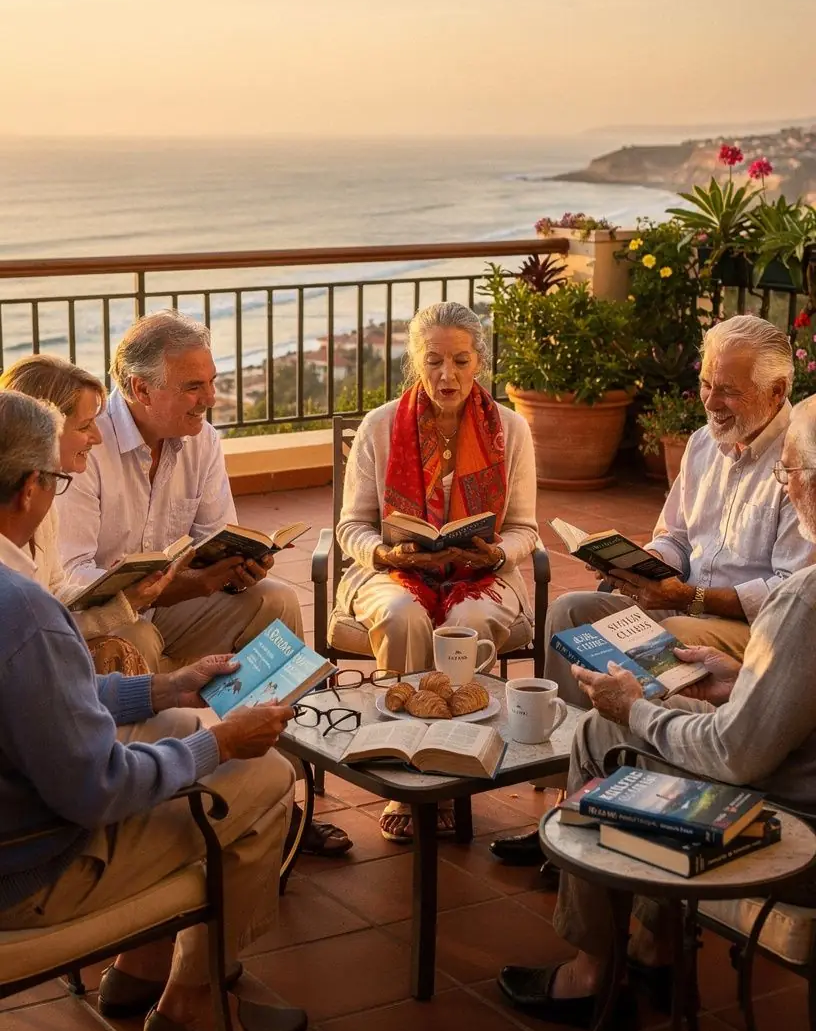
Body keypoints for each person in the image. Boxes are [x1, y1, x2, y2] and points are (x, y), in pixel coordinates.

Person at [0, 389, 307, 1031]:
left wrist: (159, 687)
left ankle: (139, 970)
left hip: (20, 824)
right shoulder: (23, 611)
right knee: (263, 776)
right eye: (55, 479)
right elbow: (96, 789)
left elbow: (42, 702)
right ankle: (194, 1001)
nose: (61, 489)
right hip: (28, 877)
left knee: (170, 722)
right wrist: (219, 742)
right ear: (28, 489)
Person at [498, 393, 816, 1031]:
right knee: (591, 626)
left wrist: (638, 709)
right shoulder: (702, 446)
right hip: (780, 740)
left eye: (790, 473)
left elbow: (736, 756)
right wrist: (741, 681)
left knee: (605, 731)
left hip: (794, 828)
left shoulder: (803, 600)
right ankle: (654, 945)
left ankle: (594, 973)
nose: (712, 398)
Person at [492, 313, 814, 867]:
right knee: (575, 610)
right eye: (707, 384)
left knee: (672, 633)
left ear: (776, 391)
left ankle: (642, 792)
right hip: (681, 599)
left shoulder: (801, 459)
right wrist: (642, 567)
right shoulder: (701, 445)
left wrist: (682, 597)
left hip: (748, 627)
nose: (711, 401)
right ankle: (571, 793)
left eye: (729, 391)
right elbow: (675, 537)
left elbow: (787, 591)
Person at [57, 311, 350, 857]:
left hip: (172, 604)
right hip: (104, 622)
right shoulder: (86, 451)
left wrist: (242, 567)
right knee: (137, 641)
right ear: (140, 388)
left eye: (212, 382)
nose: (210, 398)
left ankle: (284, 796)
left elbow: (219, 534)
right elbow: (71, 581)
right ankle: (160, 813)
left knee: (277, 600)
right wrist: (181, 585)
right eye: (193, 386)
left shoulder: (203, 441)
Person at [333, 300, 539, 838]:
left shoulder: (512, 431)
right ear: (415, 362)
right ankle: (402, 771)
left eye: (461, 361)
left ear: (480, 364)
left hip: (484, 574)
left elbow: (525, 529)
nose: (447, 375)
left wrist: (495, 555)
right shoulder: (380, 427)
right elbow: (351, 526)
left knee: (462, 624)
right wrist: (386, 555)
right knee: (403, 615)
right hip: (390, 571)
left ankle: (451, 766)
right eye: (434, 361)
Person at [0, 355, 180, 654]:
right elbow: (38, 625)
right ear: (46, 429)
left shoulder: (45, 503)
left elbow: (54, 595)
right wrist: (121, 607)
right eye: (85, 426)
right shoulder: (24, 506)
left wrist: (125, 595)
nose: (97, 437)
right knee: (133, 640)